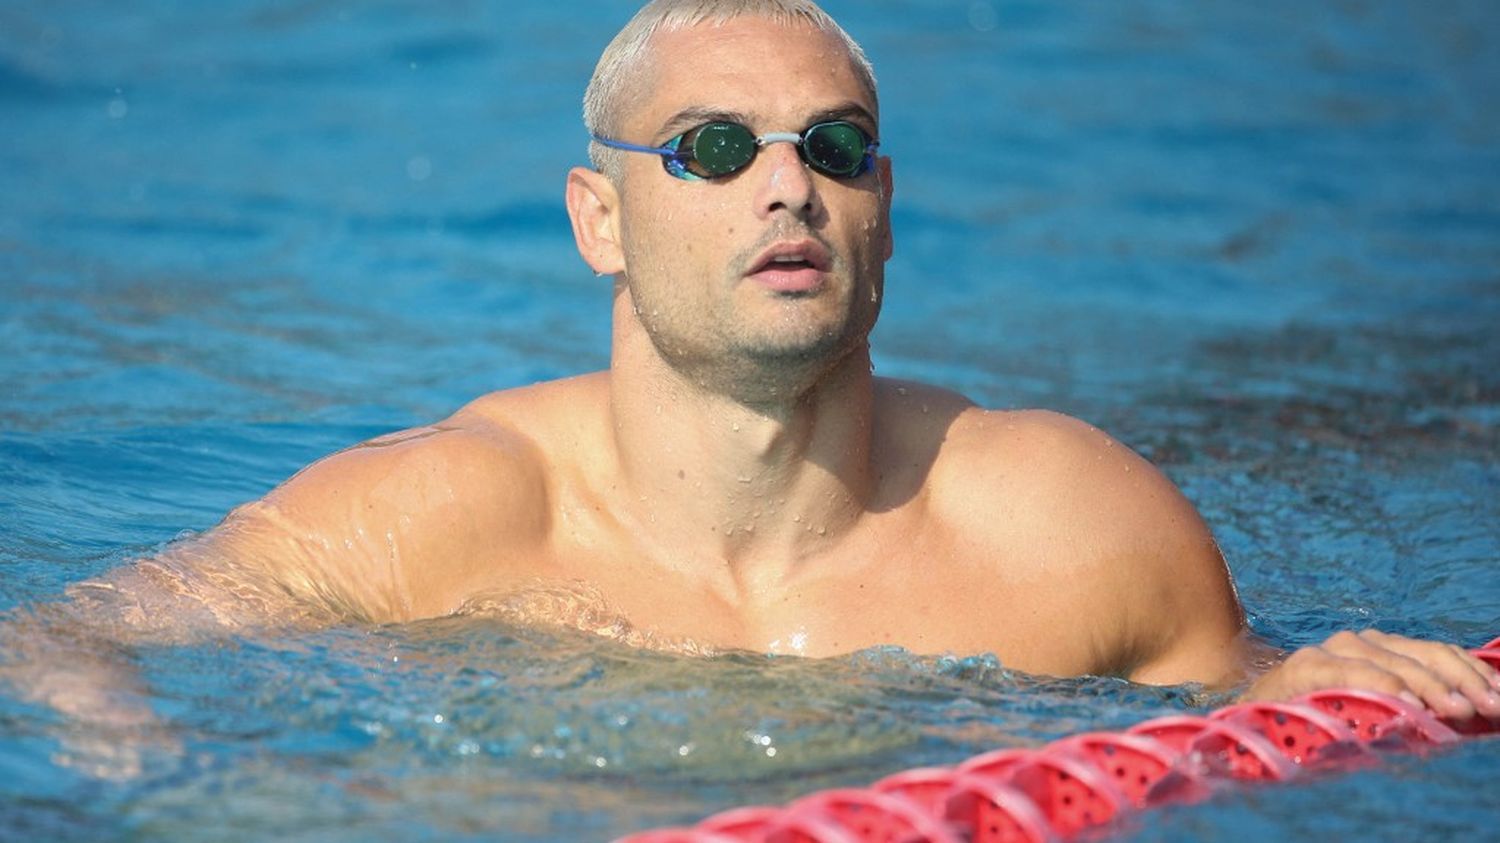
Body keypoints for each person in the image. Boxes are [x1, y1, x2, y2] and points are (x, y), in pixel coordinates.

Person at [5, 0, 1498, 760]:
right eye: (715, 148)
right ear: (602, 217)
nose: (787, 185)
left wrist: (1296, 698)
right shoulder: (445, 520)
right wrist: (148, 765)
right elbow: (51, 635)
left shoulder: (1072, 526)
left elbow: (1242, 700)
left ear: (882, 210)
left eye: (832, 148)